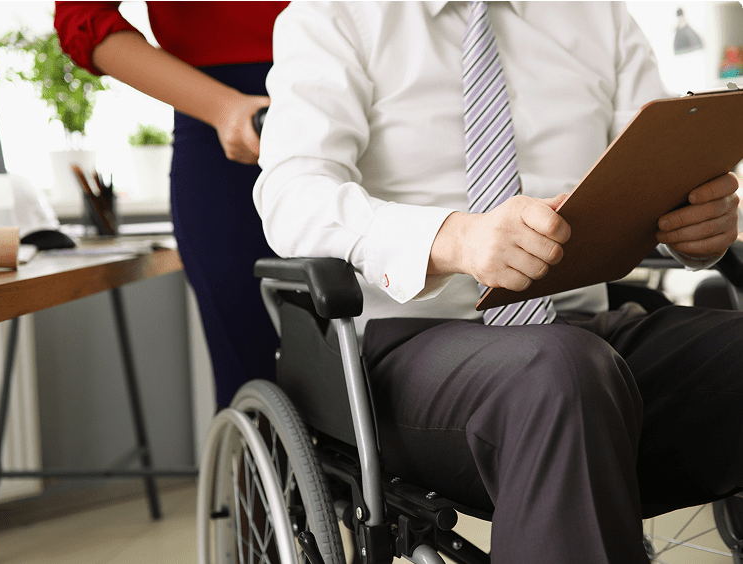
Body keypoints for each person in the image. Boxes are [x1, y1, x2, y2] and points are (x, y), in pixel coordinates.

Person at [253, 2, 743, 563]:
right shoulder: (334, 15)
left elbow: (657, 168)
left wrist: (696, 222)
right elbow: (292, 197)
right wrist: (454, 240)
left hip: (583, 333)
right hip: (413, 346)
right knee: (560, 371)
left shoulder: (597, 15)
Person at [54, 2, 288, 409]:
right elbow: (83, 16)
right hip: (234, 117)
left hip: (381, 98)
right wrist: (222, 107)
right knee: (255, 376)